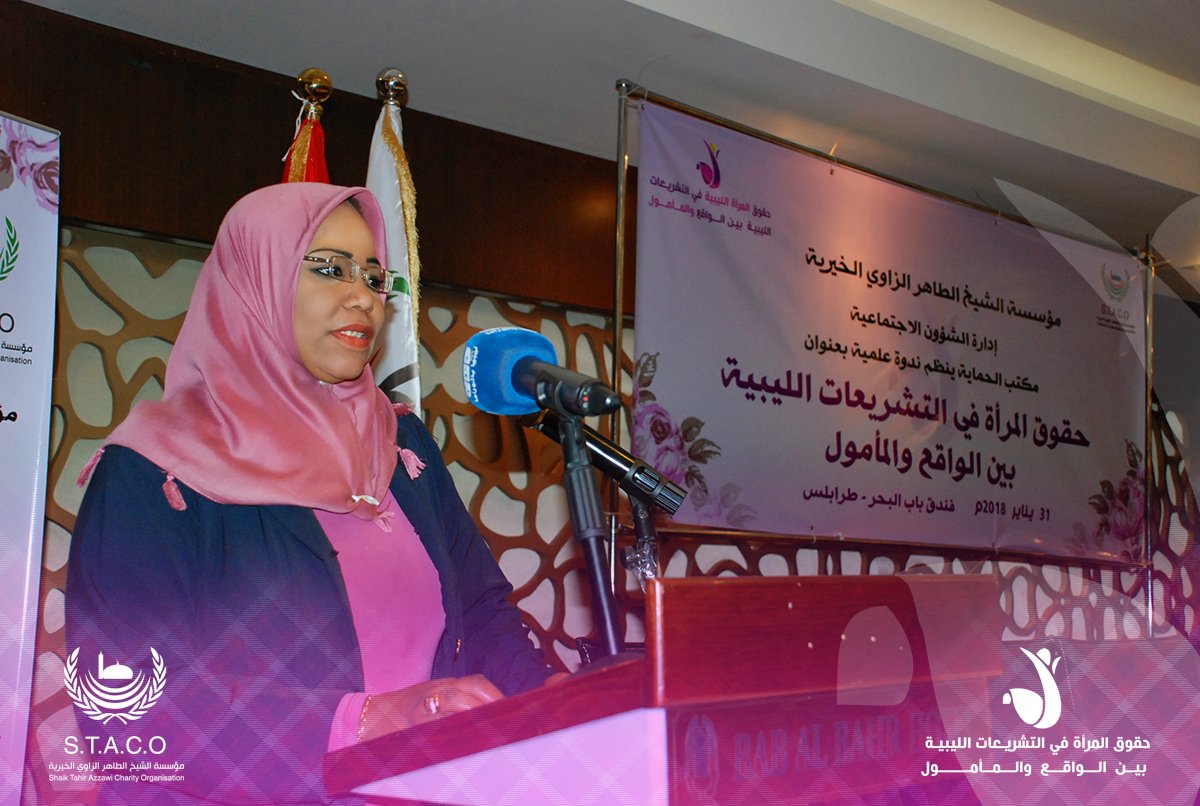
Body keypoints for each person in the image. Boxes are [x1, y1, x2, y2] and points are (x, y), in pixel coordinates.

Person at [65, 183, 556, 804]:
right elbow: (126, 710)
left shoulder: (400, 444)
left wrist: (548, 702)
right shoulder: (153, 471)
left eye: (374, 278)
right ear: (256, 280)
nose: (364, 297)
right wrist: (362, 721)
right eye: (329, 268)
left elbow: (481, 609)